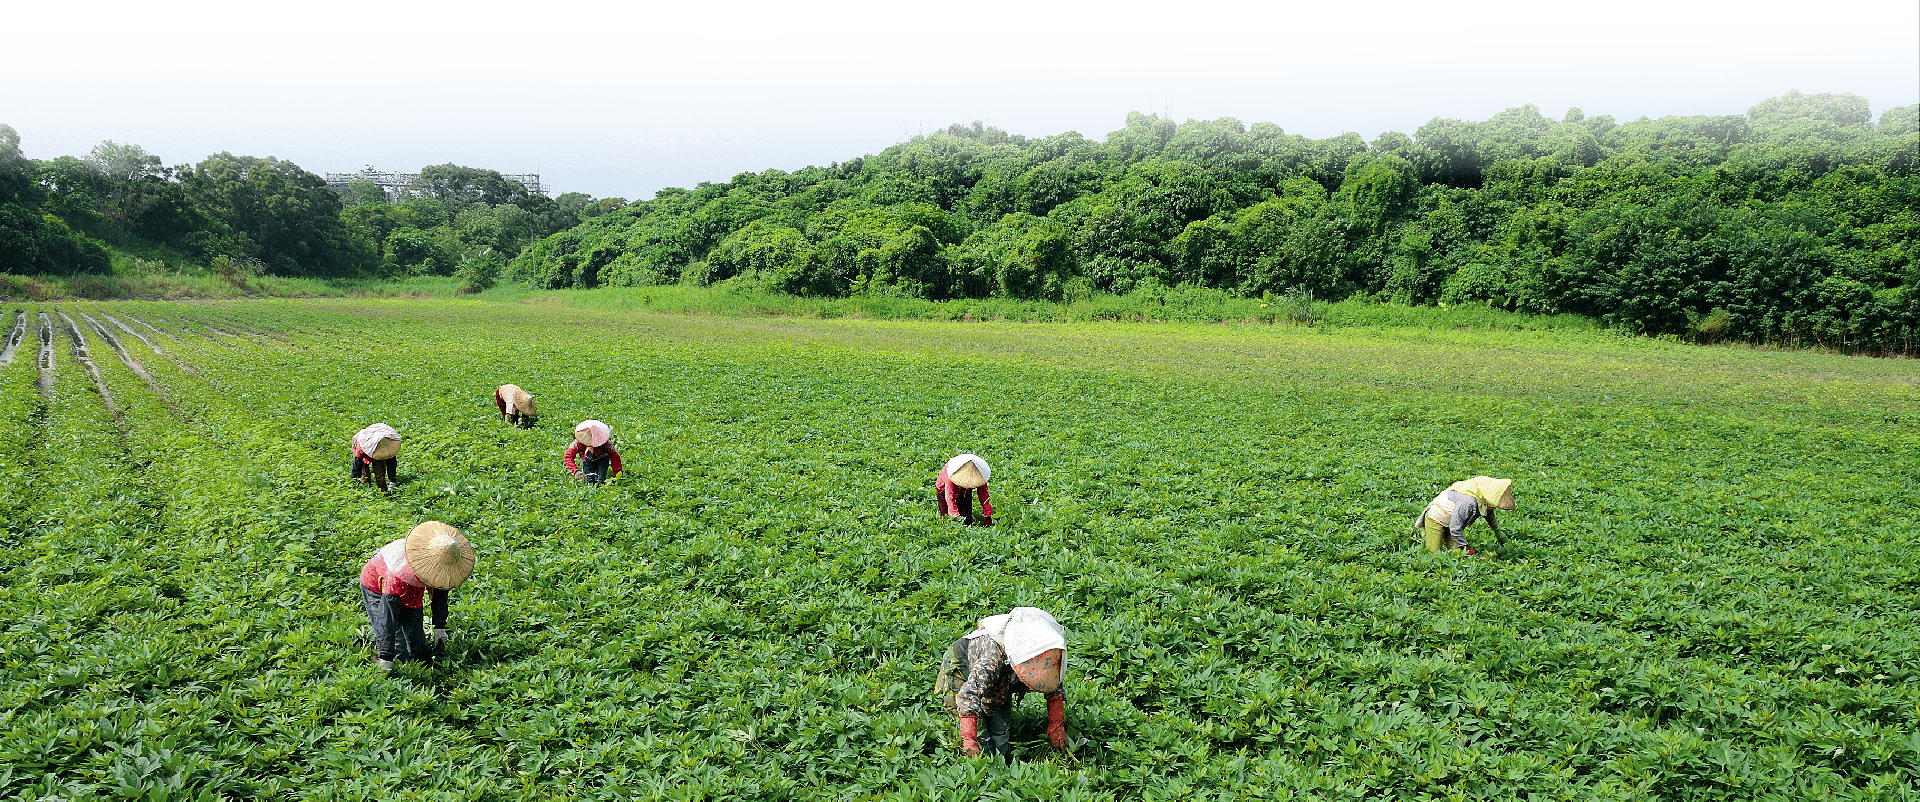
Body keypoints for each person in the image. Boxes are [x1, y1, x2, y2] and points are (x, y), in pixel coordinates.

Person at [936, 606, 1069, 761]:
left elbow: (1053, 686)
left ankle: (1002, 763)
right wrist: (969, 740)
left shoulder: (1046, 649)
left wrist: (1056, 725)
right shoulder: (992, 658)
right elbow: (967, 695)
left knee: (1001, 731)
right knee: (982, 743)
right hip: (962, 671)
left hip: (1000, 680)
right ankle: (986, 770)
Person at [359, 521, 476, 672]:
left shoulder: (442, 565)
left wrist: (439, 627)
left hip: (410, 587)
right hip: (377, 586)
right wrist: (385, 656)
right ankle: (388, 671)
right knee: (399, 649)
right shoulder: (399, 576)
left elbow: (439, 596)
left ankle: (423, 672)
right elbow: (387, 617)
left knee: (420, 648)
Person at [1413, 476, 1514, 555]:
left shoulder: (1485, 502)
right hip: (1436, 518)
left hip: (1452, 522)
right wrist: (1466, 547)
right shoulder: (1469, 502)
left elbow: (1489, 516)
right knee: (1434, 554)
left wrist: (1497, 530)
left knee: (1457, 554)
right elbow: (1455, 529)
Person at [935, 453, 993, 526]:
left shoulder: (979, 475)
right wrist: (956, 517)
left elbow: (984, 496)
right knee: (946, 519)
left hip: (964, 493)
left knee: (967, 520)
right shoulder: (951, 475)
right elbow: (949, 498)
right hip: (943, 491)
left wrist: (987, 515)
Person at [564, 419, 622, 483]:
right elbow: (568, 456)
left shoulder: (606, 444)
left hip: (602, 459)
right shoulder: (578, 444)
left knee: (602, 480)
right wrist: (575, 471)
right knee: (589, 481)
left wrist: (617, 475)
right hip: (586, 459)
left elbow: (615, 458)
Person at [350, 423, 402, 492]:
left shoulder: (388, 444)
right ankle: (366, 487)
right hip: (365, 445)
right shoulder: (360, 448)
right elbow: (356, 466)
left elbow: (391, 463)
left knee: (379, 471)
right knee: (364, 470)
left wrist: (392, 480)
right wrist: (354, 481)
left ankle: (382, 489)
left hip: (379, 436)